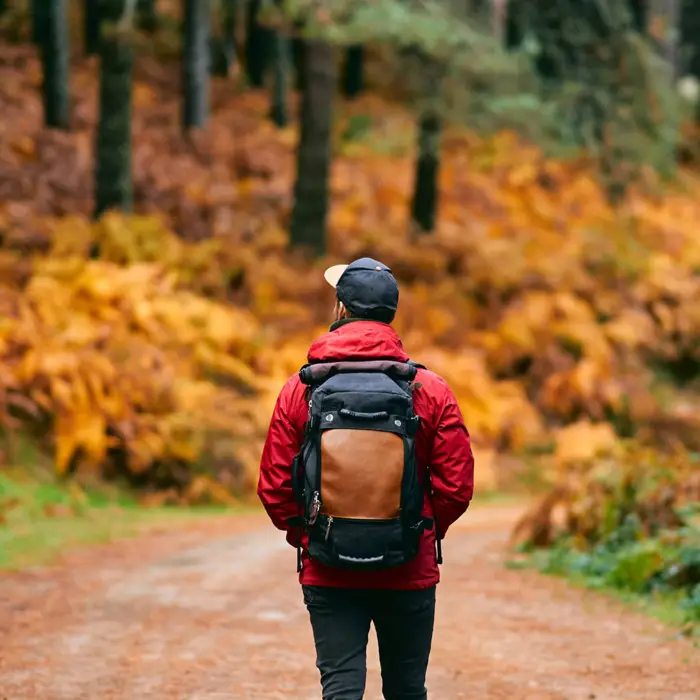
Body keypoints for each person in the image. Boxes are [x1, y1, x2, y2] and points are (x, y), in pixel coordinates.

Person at [257, 257, 475, 700]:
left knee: (340, 690)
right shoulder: (430, 390)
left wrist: (309, 535)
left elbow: (275, 486)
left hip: (328, 567)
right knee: (407, 689)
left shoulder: (301, 389)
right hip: (408, 566)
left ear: (341, 309)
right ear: (390, 315)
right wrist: (421, 529)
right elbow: (456, 486)